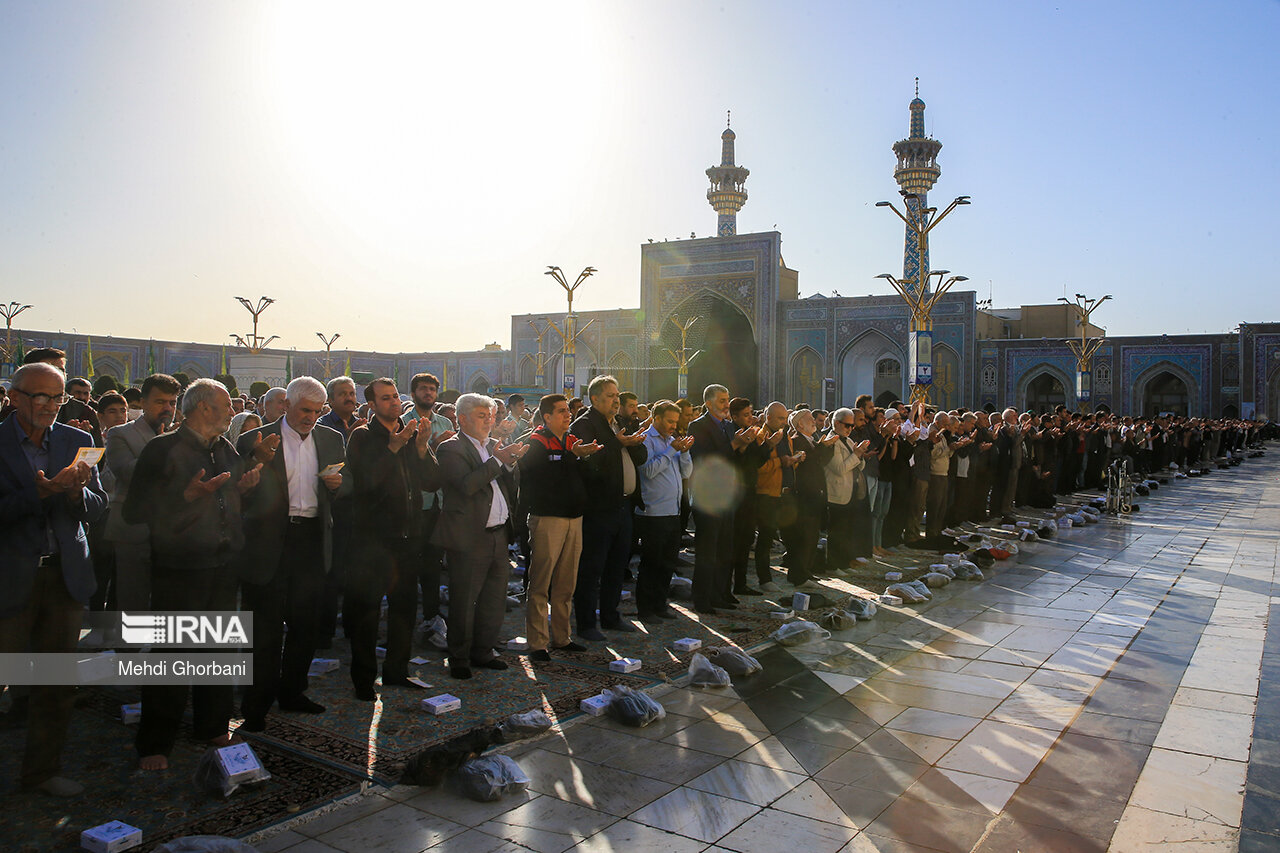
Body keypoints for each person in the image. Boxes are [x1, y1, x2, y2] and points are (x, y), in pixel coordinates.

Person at [124, 378, 261, 771]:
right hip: (178, 567)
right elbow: (135, 511)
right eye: (225, 405)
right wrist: (182, 497)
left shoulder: (225, 449)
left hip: (222, 564)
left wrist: (246, 490)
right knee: (174, 654)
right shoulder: (162, 450)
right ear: (203, 408)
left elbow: (228, 500)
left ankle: (212, 724)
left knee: (217, 650)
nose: (232, 412)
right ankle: (155, 743)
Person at [0, 363, 107, 796]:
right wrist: (41, 492)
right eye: (38, 397)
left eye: (56, 398)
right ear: (13, 396)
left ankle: (42, 771)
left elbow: (99, 508)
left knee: (56, 681)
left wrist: (77, 492)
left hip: (63, 577)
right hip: (9, 577)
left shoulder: (77, 440)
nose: (47, 406)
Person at [236, 377, 350, 730]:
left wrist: (338, 487)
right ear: (286, 405)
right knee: (265, 628)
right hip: (270, 543)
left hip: (312, 541)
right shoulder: (255, 439)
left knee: (305, 624)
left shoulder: (331, 439)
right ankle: (256, 704)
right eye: (305, 410)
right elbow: (238, 491)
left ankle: (293, 691)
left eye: (317, 412)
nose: (310, 418)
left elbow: (347, 489)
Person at [345, 378, 441, 699]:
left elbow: (431, 481)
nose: (394, 403)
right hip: (374, 540)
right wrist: (393, 448)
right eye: (385, 399)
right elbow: (367, 483)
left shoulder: (411, 431)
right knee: (368, 612)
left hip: (408, 537)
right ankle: (363, 681)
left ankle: (397, 671)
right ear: (371, 405)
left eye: (395, 397)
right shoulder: (362, 436)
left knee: (404, 608)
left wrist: (421, 447)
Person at [432, 393, 527, 679]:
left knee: (494, 599)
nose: (489, 421)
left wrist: (509, 462)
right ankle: (459, 657)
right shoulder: (452, 449)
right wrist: (498, 461)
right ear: (462, 419)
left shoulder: (491, 447)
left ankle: (483, 651)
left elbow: (503, 485)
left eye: (491, 416)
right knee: (465, 600)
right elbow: (466, 485)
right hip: (470, 536)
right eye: (482, 416)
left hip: (498, 534)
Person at [517, 394, 599, 661]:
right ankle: (538, 643)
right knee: (541, 583)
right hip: (548, 518)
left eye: (568, 411)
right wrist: (570, 456)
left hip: (574, 518)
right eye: (562, 411)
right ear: (547, 416)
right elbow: (538, 478)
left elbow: (581, 478)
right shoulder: (536, 442)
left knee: (566, 582)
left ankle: (562, 637)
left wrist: (583, 458)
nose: (568, 415)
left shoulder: (571, 441)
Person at [569, 376, 647, 639]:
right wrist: (617, 443)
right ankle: (587, 623)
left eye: (617, 396)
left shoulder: (619, 423)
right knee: (592, 568)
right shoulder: (584, 425)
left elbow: (640, 457)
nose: (616, 401)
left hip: (623, 507)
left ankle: (611, 616)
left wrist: (634, 444)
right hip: (599, 509)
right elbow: (590, 465)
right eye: (611, 396)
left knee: (617, 565)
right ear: (595, 398)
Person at [104, 374, 180, 613]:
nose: (167, 408)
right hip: (133, 531)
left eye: (172, 402)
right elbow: (128, 473)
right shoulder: (120, 434)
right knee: (132, 600)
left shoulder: (178, 437)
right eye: (160, 402)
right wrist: (166, 449)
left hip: (171, 533)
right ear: (144, 402)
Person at [688, 384, 758, 613]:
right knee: (708, 550)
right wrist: (736, 444)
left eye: (727, 400)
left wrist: (745, 445)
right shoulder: (697, 426)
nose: (726, 405)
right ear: (708, 403)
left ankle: (720, 594)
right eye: (721, 401)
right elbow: (706, 460)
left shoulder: (728, 427)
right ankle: (702, 599)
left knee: (725, 549)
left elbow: (733, 462)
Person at [403, 373, 456, 627]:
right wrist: (432, 443)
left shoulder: (445, 421)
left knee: (433, 563)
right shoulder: (403, 422)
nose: (428, 393)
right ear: (413, 393)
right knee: (410, 563)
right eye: (423, 389)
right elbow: (406, 462)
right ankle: (406, 614)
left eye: (432, 389)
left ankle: (432, 614)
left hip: (440, 503)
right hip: (415, 504)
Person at [634, 400, 694, 621]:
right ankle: (646, 609)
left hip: (673, 511)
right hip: (653, 512)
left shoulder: (672, 441)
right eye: (669, 421)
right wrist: (671, 451)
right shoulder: (646, 440)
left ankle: (660, 604)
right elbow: (648, 471)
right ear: (656, 418)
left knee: (667, 563)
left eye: (675, 422)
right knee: (652, 563)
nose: (673, 426)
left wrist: (685, 452)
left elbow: (686, 472)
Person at [784, 408, 835, 585]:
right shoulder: (797, 440)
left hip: (815, 494)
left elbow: (821, 461)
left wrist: (827, 446)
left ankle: (806, 570)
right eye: (809, 419)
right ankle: (798, 575)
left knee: (812, 536)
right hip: (804, 496)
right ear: (800, 424)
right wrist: (823, 446)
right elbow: (808, 462)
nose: (813, 421)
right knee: (804, 537)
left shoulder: (811, 440)